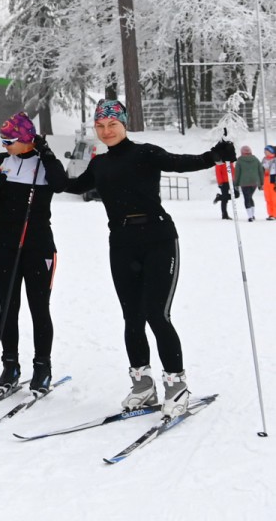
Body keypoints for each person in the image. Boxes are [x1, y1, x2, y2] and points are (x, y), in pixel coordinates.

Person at [63, 99, 235, 416]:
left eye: (112, 124)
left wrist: (214, 156)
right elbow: (69, 185)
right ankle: (143, 386)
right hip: (122, 243)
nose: (106, 131)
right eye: (100, 126)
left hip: (158, 239)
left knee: (157, 314)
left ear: (124, 124)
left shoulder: (145, 153)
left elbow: (180, 162)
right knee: (132, 318)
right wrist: (42, 155)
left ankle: (176, 385)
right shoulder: (99, 165)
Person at [0, 112, 67, 393]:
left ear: (26, 140)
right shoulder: (1, 162)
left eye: (10, 141)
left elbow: (62, 185)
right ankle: (10, 366)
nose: (5, 146)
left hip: (38, 246)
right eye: (2, 140)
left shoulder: (45, 163)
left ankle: (42, 367)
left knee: (39, 308)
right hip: (3, 246)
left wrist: (46, 153)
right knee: (8, 307)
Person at [235, 145, 263, 222]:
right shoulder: (256, 159)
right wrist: (261, 183)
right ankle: (252, 214)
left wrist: (235, 184)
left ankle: (250, 216)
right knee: (250, 197)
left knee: (247, 198)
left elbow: (237, 173)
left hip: (244, 182)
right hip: (254, 182)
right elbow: (261, 171)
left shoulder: (240, 160)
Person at [264, 146, 276, 220]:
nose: (265, 152)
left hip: (273, 181)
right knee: (268, 198)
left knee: (274, 198)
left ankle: (274, 213)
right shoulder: (265, 160)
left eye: (267, 151)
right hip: (266, 180)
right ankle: (270, 214)